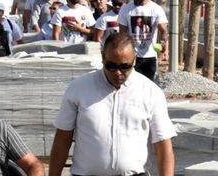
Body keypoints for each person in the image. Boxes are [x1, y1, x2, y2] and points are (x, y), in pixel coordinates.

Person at [49, 33, 176, 176]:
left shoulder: (150, 92)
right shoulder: (78, 88)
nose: (118, 73)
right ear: (103, 58)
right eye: (111, 66)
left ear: (134, 60)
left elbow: (163, 146)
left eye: (125, 67)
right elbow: (62, 139)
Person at [118, 0, 169, 82]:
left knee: (149, 85)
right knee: (132, 84)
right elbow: (122, 34)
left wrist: (163, 44)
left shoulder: (156, 9)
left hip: (150, 56)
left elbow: (163, 30)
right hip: (132, 56)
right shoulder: (126, 9)